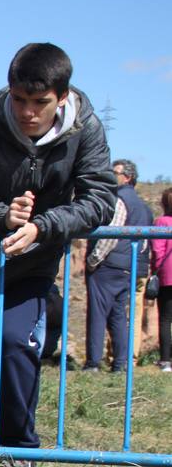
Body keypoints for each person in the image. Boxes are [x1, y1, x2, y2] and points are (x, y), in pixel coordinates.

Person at [0, 42, 116, 453]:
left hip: (33, 266)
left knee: (17, 344)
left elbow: (99, 200)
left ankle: (20, 451)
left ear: (63, 97)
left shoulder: (85, 131)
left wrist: (42, 227)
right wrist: (1, 215)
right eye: (20, 100)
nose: (28, 112)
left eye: (41, 102)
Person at [83, 158, 152, 372]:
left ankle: (93, 363)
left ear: (127, 177)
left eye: (115, 172)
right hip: (128, 267)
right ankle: (120, 364)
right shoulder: (144, 207)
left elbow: (111, 235)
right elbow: (145, 242)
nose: (111, 175)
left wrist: (93, 261)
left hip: (108, 265)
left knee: (97, 314)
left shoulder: (118, 199)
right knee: (119, 315)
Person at [154, 189, 172, 371]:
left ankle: (166, 360)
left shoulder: (162, 222)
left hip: (168, 276)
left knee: (166, 318)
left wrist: (156, 271)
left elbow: (158, 251)